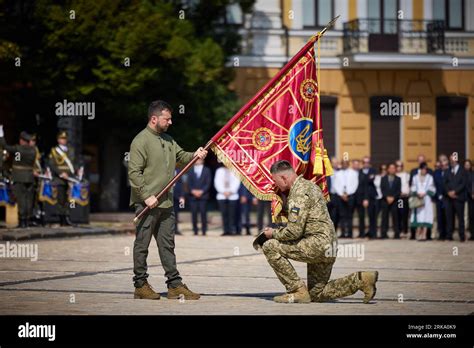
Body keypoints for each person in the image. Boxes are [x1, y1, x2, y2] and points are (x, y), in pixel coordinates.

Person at [261, 160, 379, 303]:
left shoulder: (298, 194)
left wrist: (272, 233)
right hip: (329, 244)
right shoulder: (311, 185)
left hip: (316, 244)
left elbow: (293, 232)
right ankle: (362, 279)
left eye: (276, 181)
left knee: (269, 246)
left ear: (284, 178)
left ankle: (296, 290)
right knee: (316, 293)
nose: (276, 185)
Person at [128, 100, 207, 300]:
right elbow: (134, 172)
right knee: (142, 244)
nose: (170, 122)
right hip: (147, 204)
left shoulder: (169, 140)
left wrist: (196, 155)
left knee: (167, 245)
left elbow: (182, 156)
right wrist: (146, 196)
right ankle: (140, 284)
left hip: (167, 203)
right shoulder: (140, 140)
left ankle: (174, 285)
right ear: (154, 119)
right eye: (167, 118)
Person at [0, 126, 36, 228]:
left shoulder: (18, 149)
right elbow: (18, 158)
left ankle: (22, 221)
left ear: (21, 140)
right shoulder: (33, 150)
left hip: (19, 177)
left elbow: (5, 146)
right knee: (28, 199)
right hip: (29, 177)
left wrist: (1, 135)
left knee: (21, 199)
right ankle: (27, 220)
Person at [48, 131, 78, 226]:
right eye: (61, 138)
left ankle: (67, 216)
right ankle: (62, 219)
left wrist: (74, 172)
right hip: (59, 178)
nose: (63, 140)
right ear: (58, 140)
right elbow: (52, 164)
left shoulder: (70, 150)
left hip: (69, 177)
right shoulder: (54, 151)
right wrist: (61, 173)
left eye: (64, 139)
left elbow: (73, 164)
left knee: (69, 199)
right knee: (61, 199)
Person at [409, 154, 434, 240]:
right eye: (423, 169)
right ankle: (418, 234)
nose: (424, 171)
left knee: (426, 216)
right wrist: (417, 193)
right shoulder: (415, 177)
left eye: (425, 169)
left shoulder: (430, 177)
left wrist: (425, 193)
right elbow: (412, 186)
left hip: (426, 199)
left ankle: (425, 234)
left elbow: (432, 187)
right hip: (418, 199)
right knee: (419, 216)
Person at [443, 154, 467, 242]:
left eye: (452, 160)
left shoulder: (462, 170)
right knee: (449, 218)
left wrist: (455, 192)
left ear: (456, 160)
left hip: (459, 198)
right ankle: (449, 236)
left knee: (460, 218)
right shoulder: (447, 170)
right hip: (448, 199)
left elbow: (463, 183)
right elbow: (444, 183)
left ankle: (462, 236)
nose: (451, 161)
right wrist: (449, 192)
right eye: (450, 160)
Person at [333, 159, 358, 238]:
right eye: (343, 163)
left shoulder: (353, 173)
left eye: (346, 163)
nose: (344, 165)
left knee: (349, 215)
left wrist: (348, 193)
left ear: (348, 164)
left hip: (350, 196)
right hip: (340, 197)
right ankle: (343, 233)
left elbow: (355, 184)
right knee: (342, 216)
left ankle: (350, 233)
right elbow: (335, 185)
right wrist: (341, 194)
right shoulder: (337, 173)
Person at [187, 158, 211, 236]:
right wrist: (192, 191)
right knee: (194, 214)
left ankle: (204, 230)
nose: (198, 161)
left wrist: (202, 191)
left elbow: (208, 182)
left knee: (203, 213)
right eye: (196, 159)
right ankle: (195, 230)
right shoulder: (190, 170)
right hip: (192, 196)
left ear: (202, 160)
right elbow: (188, 183)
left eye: (199, 159)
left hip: (203, 196)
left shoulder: (207, 170)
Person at [214, 165, 240, 236]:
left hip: (233, 196)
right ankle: (226, 230)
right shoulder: (219, 170)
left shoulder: (235, 170)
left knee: (232, 214)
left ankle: (232, 230)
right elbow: (217, 182)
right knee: (224, 214)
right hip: (222, 195)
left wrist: (231, 191)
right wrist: (223, 191)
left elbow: (237, 182)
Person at [357, 156, 377, 239]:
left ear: (370, 163)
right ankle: (361, 233)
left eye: (367, 162)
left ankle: (372, 233)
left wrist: (367, 199)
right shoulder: (360, 171)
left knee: (371, 216)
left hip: (371, 196)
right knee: (361, 216)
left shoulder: (373, 171)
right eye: (364, 162)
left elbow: (370, 183)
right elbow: (362, 183)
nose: (366, 164)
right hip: (361, 196)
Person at [380, 163, 401, 239]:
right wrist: (387, 197)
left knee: (395, 217)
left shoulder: (398, 179)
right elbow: (382, 189)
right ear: (388, 169)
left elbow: (398, 191)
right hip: (385, 200)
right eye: (390, 168)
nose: (392, 169)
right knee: (384, 217)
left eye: (393, 168)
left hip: (395, 201)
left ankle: (397, 234)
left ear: (395, 169)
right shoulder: (383, 178)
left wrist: (393, 198)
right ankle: (383, 233)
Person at [433, 154, 449, 240]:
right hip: (439, 198)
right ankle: (441, 234)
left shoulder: (450, 171)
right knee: (439, 217)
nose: (442, 162)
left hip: (448, 198)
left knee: (448, 216)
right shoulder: (436, 172)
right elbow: (434, 185)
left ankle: (448, 234)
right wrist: (438, 195)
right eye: (440, 161)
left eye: (444, 160)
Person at [395, 160, 410, 237]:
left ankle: (405, 231)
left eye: (400, 166)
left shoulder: (406, 175)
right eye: (397, 166)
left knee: (405, 214)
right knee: (399, 214)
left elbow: (409, 185)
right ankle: (400, 230)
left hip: (405, 197)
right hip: (399, 198)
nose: (399, 167)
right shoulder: (394, 175)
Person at [464, 159, 474, 241]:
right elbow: (467, 185)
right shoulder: (464, 174)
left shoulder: (472, 173)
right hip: (469, 198)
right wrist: (471, 193)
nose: (467, 166)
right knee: (470, 216)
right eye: (466, 165)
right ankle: (471, 234)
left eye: (468, 165)